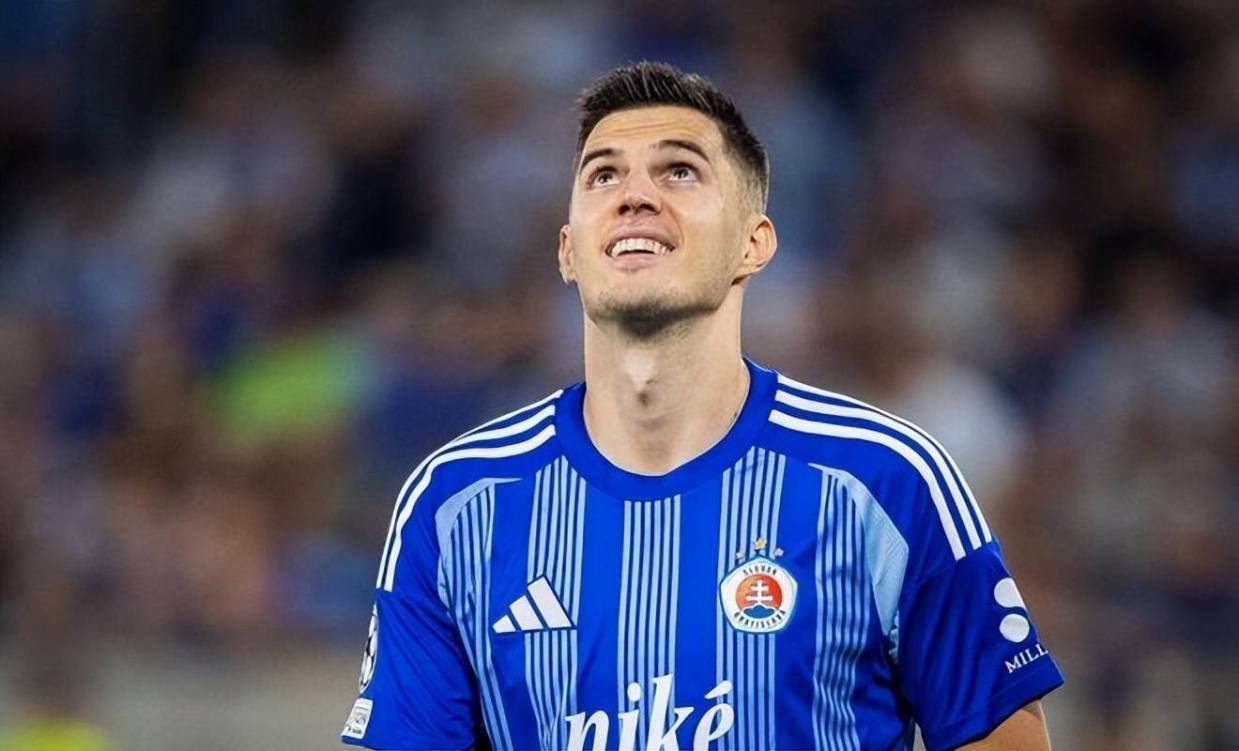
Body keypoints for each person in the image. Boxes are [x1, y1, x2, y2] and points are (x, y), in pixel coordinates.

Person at [341, 61, 1063, 751]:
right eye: (603, 175)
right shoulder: (456, 503)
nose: (634, 195)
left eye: (679, 171)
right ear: (567, 250)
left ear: (753, 243)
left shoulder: (884, 481)